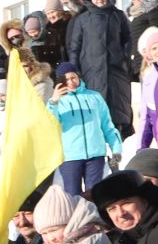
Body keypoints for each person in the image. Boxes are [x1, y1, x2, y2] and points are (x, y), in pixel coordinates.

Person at [64, 0, 135, 136]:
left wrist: (123, 57)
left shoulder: (118, 15)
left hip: (115, 71)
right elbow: (75, 47)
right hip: (91, 72)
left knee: (118, 109)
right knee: (95, 113)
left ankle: (120, 142)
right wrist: (75, 70)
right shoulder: (82, 19)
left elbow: (129, 38)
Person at [49, 61, 120, 195]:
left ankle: (94, 216)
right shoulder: (56, 102)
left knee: (94, 194)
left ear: (78, 76)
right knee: (72, 194)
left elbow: (107, 126)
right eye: (66, 79)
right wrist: (54, 102)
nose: (70, 82)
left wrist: (116, 149)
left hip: (95, 155)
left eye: (73, 77)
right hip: (70, 156)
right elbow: (50, 124)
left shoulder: (94, 96)